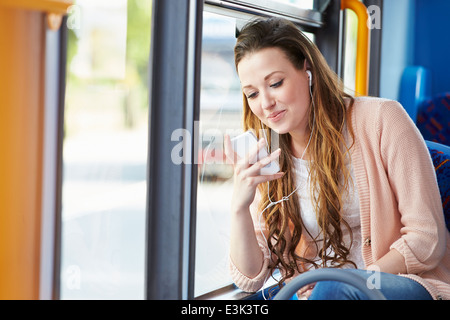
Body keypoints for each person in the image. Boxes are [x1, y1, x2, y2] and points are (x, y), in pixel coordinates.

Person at [223, 17, 450, 300]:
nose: (265, 103)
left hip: (403, 282)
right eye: (253, 93)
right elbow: (250, 279)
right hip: (318, 292)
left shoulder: (383, 119)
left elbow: (426, 240)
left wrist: (338, 280)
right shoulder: (266, 155)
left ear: (308, 71)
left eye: (276, 83)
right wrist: (239, 207)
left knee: (334, 290)